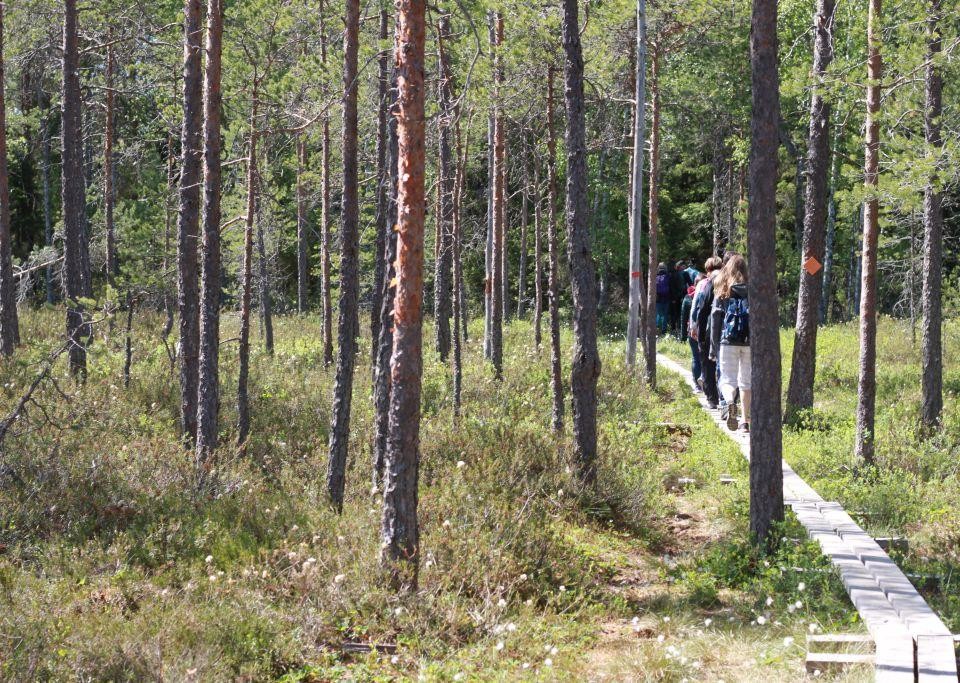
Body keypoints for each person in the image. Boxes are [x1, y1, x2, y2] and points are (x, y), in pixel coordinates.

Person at [710, 254, 750, 432]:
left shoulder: (723, 288)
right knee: (746, 381)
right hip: (749, 341)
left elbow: (715, 318)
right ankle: (745, 421)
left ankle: (730, 403)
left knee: (727, 379)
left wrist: (713, 346)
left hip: (727, 340)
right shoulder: (753, 289)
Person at [691, 256, 722, 408]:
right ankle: (727, 399)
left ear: (708, 269)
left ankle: (712, 398)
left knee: (707, 363)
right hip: (729, 331)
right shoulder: (730, 281)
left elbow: (700, 308)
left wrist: (697, 329)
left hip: (710, 329)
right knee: (724, 366)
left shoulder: (706, 283)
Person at [681, 279, 702, 391]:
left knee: (695, 357)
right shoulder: (709, 293)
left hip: (692, 331)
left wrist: (683, 335)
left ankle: (697, 383)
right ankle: (705, 381)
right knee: (704, 357)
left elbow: (684, 317)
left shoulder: (688, 297)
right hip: (705, 331)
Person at [669, 261, 687, 337]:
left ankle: (674, 329)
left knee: (674, 314)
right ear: (681, 266)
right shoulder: (683, 274)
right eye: (684, 266)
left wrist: (673, 298)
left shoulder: (673, 274)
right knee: (679, 314)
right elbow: (682, 287)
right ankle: (679, 329)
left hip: (674, 297)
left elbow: (671, 287)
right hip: (680, 297)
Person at [655, 263, 671, 334]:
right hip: (666, 298)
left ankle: (657, 328)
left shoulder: (655, 276)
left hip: (658, 298)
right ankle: (664, 330)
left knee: (658, 314)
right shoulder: (668, 276)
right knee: (665, 314)